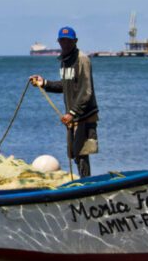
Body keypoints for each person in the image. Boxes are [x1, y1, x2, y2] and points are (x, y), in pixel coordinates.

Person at [30, 26, 99, 177]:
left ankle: (86, 186)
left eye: (68, 41)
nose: (65, 44)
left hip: (84, 115)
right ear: (58, 42)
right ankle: (84, 182)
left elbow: (86, 91)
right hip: (73, 116)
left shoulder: (82, 59)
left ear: (75, 41)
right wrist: (45, 83)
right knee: (74, 153)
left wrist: (73, 112)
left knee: (81, 153)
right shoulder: (64, 60)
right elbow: (66, 85)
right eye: (62, 41)